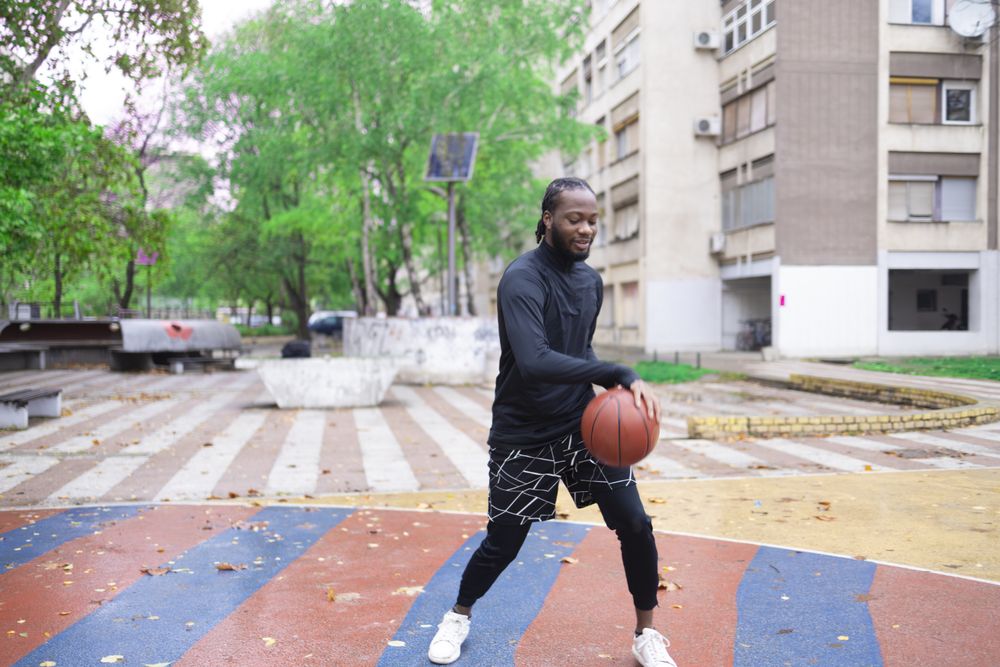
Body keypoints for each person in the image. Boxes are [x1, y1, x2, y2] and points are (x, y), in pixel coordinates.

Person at [427, 177, 677, 666]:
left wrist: (611, 390)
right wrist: (615, 372)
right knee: (504, 540)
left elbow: (577, 348)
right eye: (574, 219)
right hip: (523, 432)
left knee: (636, 523)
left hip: (581, 427)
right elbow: (537, 360)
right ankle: (458, 616)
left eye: (592, 220)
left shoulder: (591, 282)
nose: (586, 229)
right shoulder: (522, 278)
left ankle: (646, 635)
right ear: (547, 219)